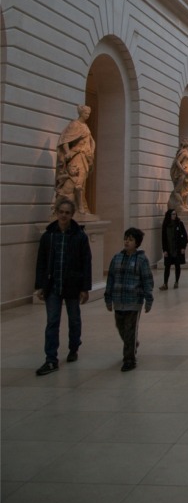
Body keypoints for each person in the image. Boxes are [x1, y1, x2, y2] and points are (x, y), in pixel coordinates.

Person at [34, 197, 92, 375]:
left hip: (72, 285)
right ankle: (51, 359)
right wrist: (40, 286)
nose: (64, 216)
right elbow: (41, 263)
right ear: (56, 213)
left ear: (72, 214)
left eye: (67, 213)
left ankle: (74, 346)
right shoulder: (48, 236)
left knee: (74, 320)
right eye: (61, 212)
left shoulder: (80, 236)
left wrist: (85, 288)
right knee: (52, 322)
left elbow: (86, 262)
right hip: (53, 285)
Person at [104, 227, 154, 371]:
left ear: (137, 243)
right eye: (126, 238)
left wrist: (148, 299)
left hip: (133, 301)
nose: (127, 241)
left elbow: (147, 280)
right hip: (119, 300)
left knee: (130, 329)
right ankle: (132, 344)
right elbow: (110, 279)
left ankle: (129, 359)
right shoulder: (117, 258)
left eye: (130, 239)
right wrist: (108, 298)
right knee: (121, 327)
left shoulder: (142, 259)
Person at [54, 104, 96, 215]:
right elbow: (65, 140)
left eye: (88, 114)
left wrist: (91, 152)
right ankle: (78, 208)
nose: (87, 115)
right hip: (76, 156)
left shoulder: (86, 126)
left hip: (85, 157)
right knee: (75, 182)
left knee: (81, 184)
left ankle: (80, 207)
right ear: (81, 113)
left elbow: (90, 141)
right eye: (86, 113)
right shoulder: (74, 124)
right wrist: (67, 152)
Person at [159, 208, 188, 290]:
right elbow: (163, 238)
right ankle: (165, 283)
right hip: (169, 249)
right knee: (167, 266)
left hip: (177, 248)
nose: (174, 216)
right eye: (172, 214)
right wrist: (164, 250)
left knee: (177, 265)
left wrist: (183, 247)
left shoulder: (179, 224)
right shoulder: (165, 225)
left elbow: (184, 236)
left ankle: (176, 282)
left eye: (175, 214)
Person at [169, 137, 188, 212]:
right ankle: (180, 204)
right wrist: (183, 171)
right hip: (184, 174)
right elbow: (177, 161)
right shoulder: (183, 152)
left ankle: (185, 203)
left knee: (187, 189)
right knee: (179, 190)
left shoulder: (187, 152)